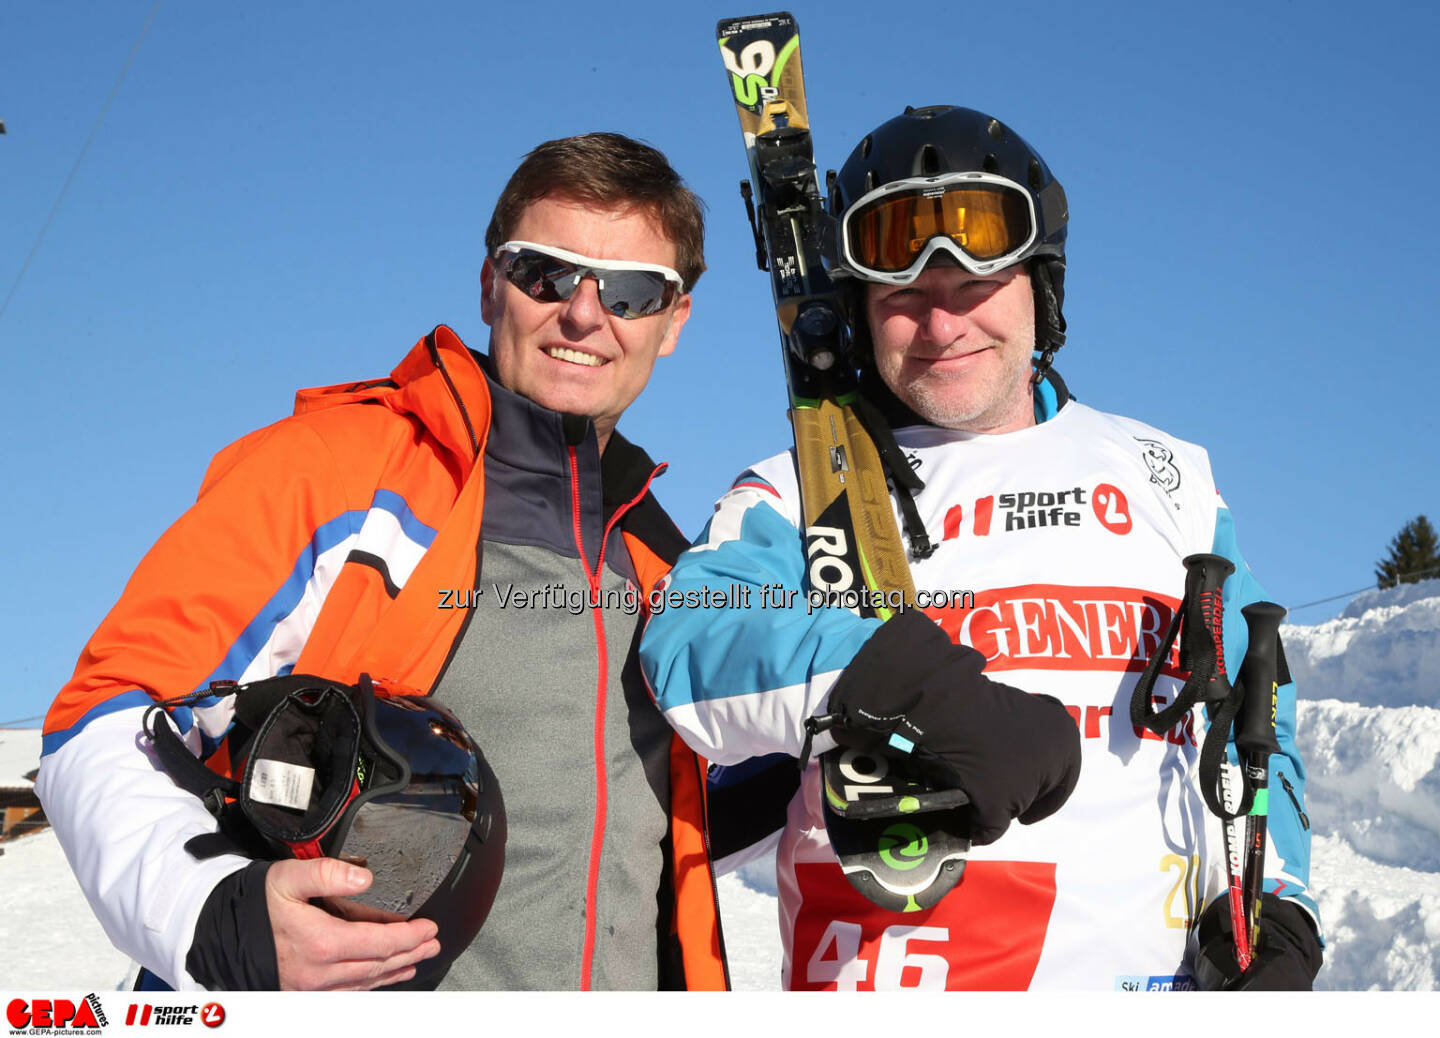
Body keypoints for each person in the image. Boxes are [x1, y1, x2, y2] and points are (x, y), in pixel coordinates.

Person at [639, 105, 1322, 990]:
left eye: (976, 285)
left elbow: (1255, 718)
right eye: (903, 297)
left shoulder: (1171, 478)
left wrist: (1278, 904)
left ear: (1041, 285)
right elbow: (689, 637)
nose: (942, 322)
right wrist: (899, 688)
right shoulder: (801, 487)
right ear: (857, 311)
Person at [37, 132, 728, 991]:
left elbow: (646, 826)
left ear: (674, 322)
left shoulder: (669, 560)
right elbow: (106, 716)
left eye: (629, 290)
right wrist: (212, 913)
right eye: (545, 273)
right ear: (489, 284)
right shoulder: (334, 472)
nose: (584, 315)